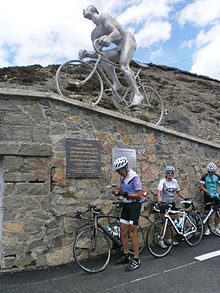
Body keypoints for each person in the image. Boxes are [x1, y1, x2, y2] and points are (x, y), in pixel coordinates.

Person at [80, 5, 144, 107]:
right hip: (119, 48)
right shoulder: (94, 34)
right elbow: (98, 53)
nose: (83, 10)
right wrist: (87, 54)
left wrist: (109, 37)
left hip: (127, 39)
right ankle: (116, 83)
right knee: (104, 57)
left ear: (93, 10)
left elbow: (118, 33)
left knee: (123, 66)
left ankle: (138, 94)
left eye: (86, 8)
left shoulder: (104, 17)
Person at [112, 156, 144, 271]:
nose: (119, 173)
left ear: (125, 168)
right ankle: (126, 255)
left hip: (135, 205)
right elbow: (123, 191)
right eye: (117, 171)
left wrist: (125, 194)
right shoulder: (122, 178)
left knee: (132, 232)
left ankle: (136, 259)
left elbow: (139, 194)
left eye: (120, 171)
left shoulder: (134, 178)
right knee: (123, 231)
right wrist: (117, 192)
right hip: (126, 205)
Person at [156, 165, 185, 248]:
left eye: (172, 172)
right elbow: (159, 191)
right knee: (163, 222)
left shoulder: (175, 181)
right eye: (168, 172)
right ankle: (161, 240)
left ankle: (169, 239)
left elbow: (178, 192)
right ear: (166, 173)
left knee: (171, 222)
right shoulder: (163, 181)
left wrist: (185, 198)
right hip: (164, 203)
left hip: (171, 203)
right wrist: (159, 201)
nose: (170, 174)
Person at [200, 162, 220, 235]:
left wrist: (218, 193)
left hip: (216, 195)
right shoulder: (204, 177)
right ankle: (207, 228)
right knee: (207, 212)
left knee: (218, 212)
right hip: (208, 196)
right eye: (209, 172)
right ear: (208, 171)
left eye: (212, 172)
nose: (211, 173)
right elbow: (201, 186)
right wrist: (208, 193)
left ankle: (216, 227)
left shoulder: (217, 176)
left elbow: (219, 185)